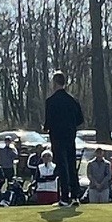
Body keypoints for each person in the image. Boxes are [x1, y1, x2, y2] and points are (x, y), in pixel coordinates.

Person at [43, 71, 85, 204]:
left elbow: (48, 121)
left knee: (62, 166)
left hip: (57, 136)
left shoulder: (51, 101)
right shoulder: (73, 100)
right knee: (72, 165)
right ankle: (75, 195)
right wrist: (70, 125)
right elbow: (80, 119)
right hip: (70, 136)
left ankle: (65, 197)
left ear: (55, 83)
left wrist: (46, 127)